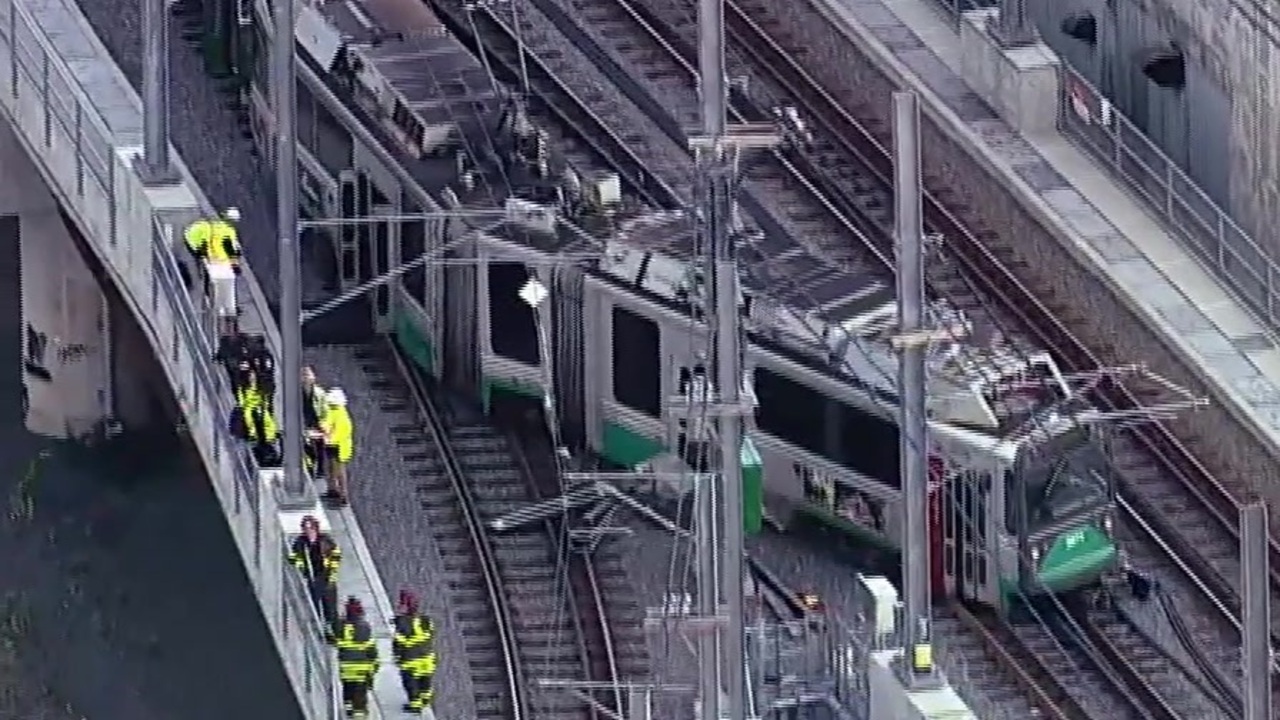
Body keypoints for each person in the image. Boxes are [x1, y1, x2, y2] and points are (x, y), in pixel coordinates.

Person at [288, 515, 341, 637]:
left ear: (315, 528)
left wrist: (332, 570)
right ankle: (319, 629)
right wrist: (301, 567)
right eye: (305, 529)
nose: (308, 531)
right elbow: (293, 557)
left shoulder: (325, 540)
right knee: (315, 604)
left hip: (326, 575)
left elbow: (336, 554)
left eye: (310, 528)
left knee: (330, 606)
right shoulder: (300, 542)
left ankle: (334, 631)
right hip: (312, 578)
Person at [392, 590, 436, 713]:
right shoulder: (426, 620)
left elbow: (399, 643)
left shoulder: (402, 624)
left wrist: (397, 657)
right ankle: (425, 699)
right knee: (425, 679)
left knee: (411, 683)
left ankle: (415, 705)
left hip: (410, 660)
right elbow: (431, 634)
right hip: (427, 658)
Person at [336, 597, 379, 718]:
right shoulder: (364, 627)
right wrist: (375, 664)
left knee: (347, 686)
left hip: (346, 665)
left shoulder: (341, 626)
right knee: (360, 692)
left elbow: (335, 641)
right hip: (362, 665)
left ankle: (348, 707)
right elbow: (371, 648)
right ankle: (359, 713)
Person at [234, 370, 279, 467]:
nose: (252, 378)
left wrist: (262, 406)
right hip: (249, 408)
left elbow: (265, 400)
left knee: (267, 421)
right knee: (249, 418)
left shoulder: (260, 388)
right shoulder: (243, 388)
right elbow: (242, 402)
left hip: (260, 408)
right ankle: (254, 436)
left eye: (253, 376)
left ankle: (269, 439)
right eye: (250, 376)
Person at [318, 387, 354, 505]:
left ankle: (343, 496)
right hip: (333, 445)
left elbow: (342, 432)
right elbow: (326, 423)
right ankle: (332, 489)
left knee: (339, 471)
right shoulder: (333, 411)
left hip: (338, 447)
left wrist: (328, 439)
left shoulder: (340, 414)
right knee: (332, 469)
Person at [302, 366, 329, 477]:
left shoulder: (319, 393)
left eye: (308, 375)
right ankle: (310, 466)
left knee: (320, 445)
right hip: (305, 422)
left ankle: (321, 469)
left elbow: (325, 409)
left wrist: (323, 423)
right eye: (304, 375)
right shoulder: (297, 393)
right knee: (307, 446)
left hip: (317, 422)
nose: (306, 377)